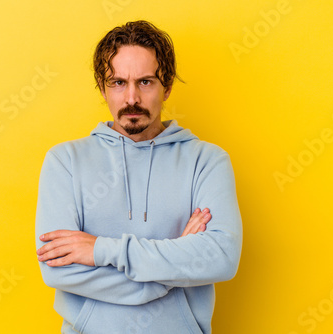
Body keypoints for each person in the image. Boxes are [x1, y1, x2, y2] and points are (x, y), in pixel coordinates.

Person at [35, 20, 243, 334]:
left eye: (145, 82)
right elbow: (58, 270)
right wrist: (168, 274)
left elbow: (221, 258)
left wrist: (101, 250)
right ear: (102, 88)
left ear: (167, 85)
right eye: (118, 82)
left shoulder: (207, 161)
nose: (131, 97)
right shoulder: (64, 161)